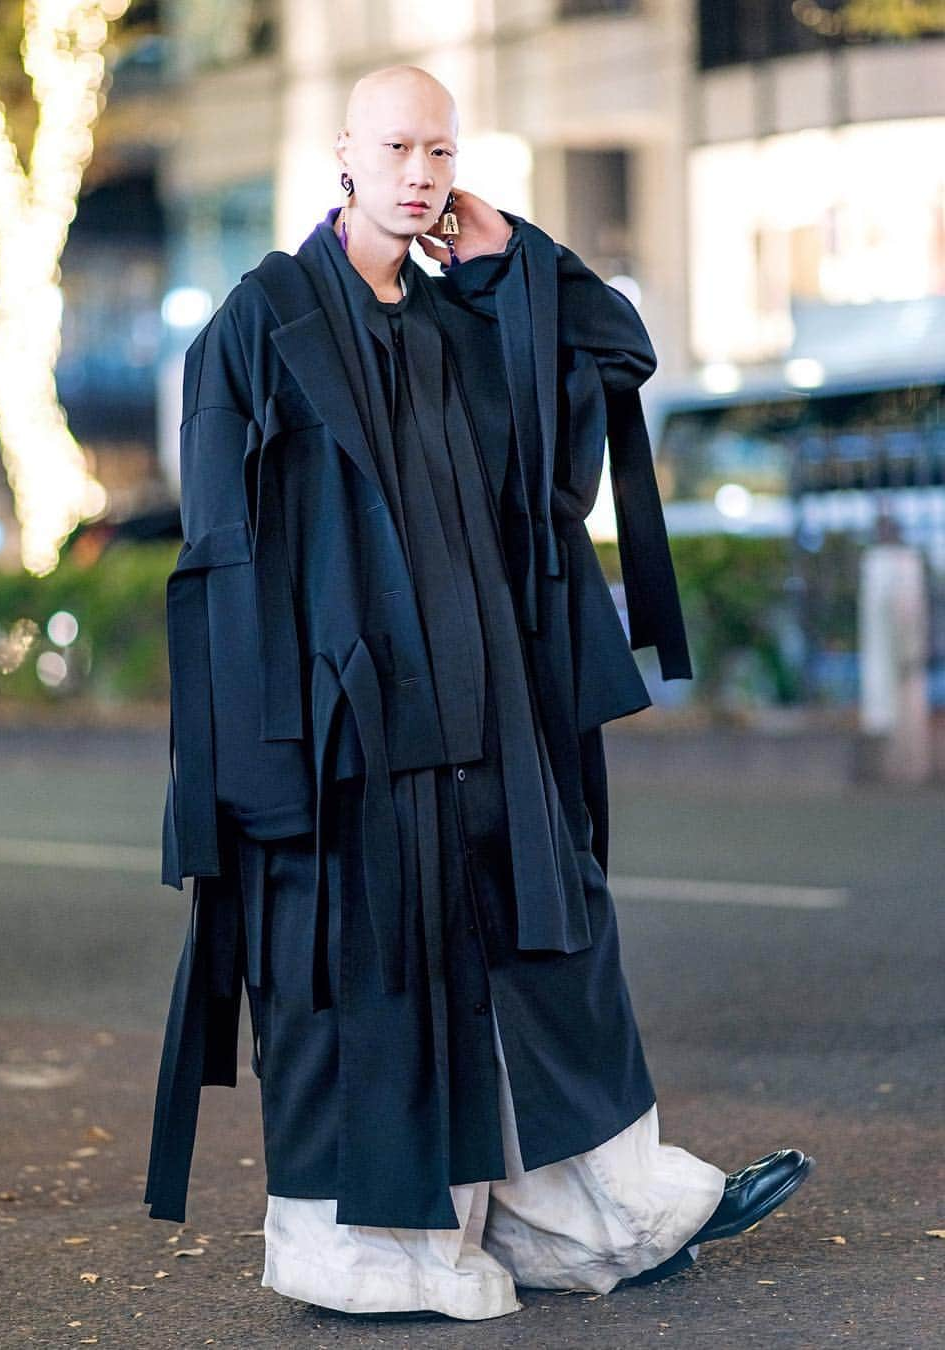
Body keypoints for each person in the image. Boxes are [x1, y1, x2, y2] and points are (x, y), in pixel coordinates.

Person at [143, 64, 816, 1321]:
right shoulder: (263, 321)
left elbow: (611, 351)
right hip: (349, 737)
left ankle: (603, 1218)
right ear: (344, 154)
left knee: (547, 951)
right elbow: (222, 561)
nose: (420, 174)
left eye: (441, 153)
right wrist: (261, 770)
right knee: (374, 978)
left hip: (490, 720)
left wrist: (509, 254)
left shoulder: (459, 326)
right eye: (397, 147)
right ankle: (378, 1253)